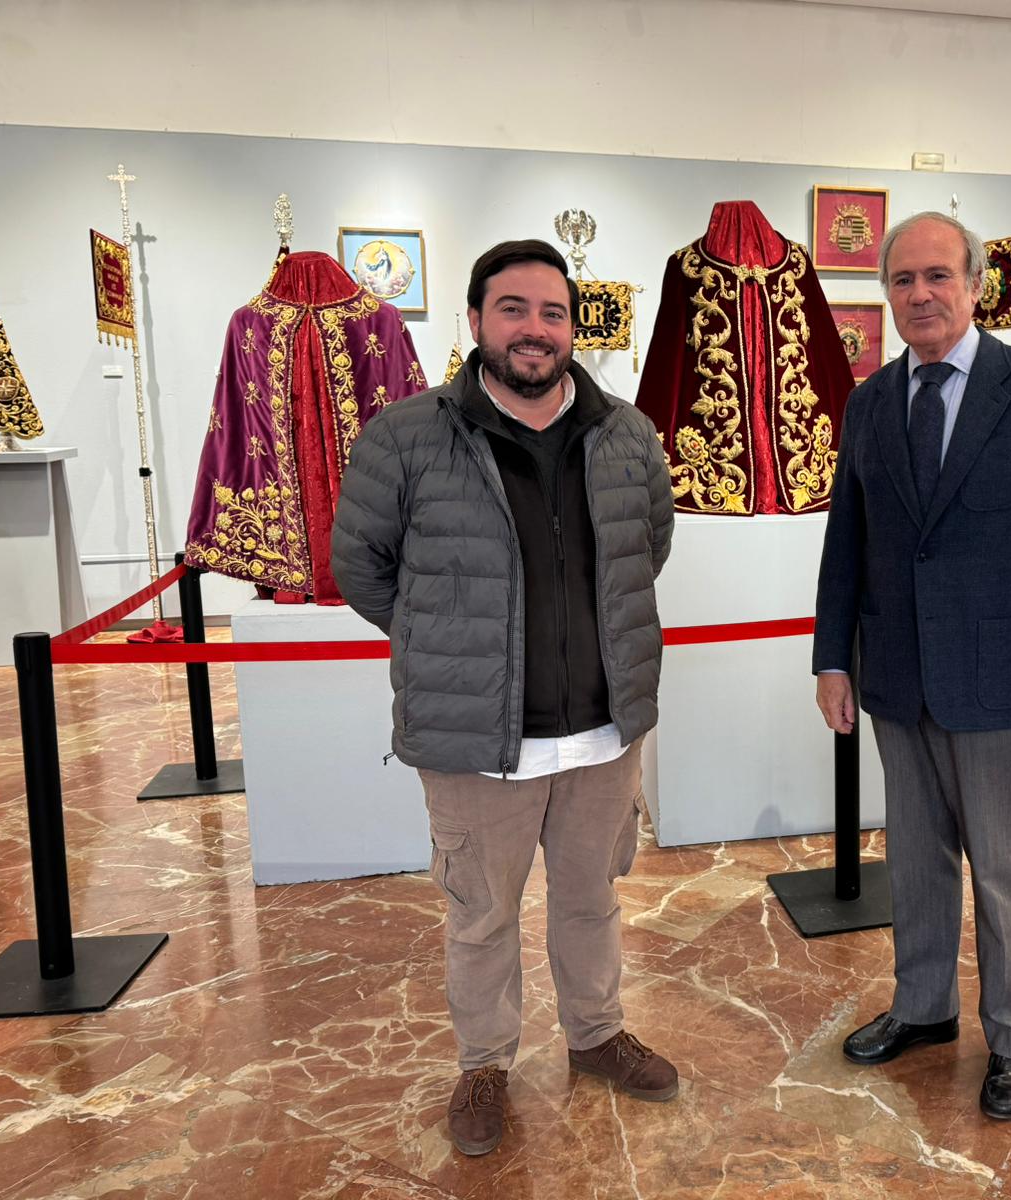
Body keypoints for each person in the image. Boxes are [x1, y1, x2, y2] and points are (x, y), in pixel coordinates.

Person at [332, 239, 677, 1157]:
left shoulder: (626, 434)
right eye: (514, 309)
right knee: (481, 913)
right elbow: (361, 567)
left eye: (552, 313)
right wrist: (445, 642)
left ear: (573, 328)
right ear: (477, 321)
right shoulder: (406, 436)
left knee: (592, 897)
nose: (535, 329)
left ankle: (596, 1033)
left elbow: (651, 543)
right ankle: (484, 1062)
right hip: (479, 737)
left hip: (604, 732)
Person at [812, 212, 1011, 1120]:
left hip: (999, 682)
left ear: (978, 286)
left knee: (1002, 869)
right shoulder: (869, 401)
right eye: (903, 280)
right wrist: (831, 658)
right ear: (887, 294)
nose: (921, 295)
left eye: (939, 276)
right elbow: (845, 545)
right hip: (895, 676)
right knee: (917, 860)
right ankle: (924, 1007)